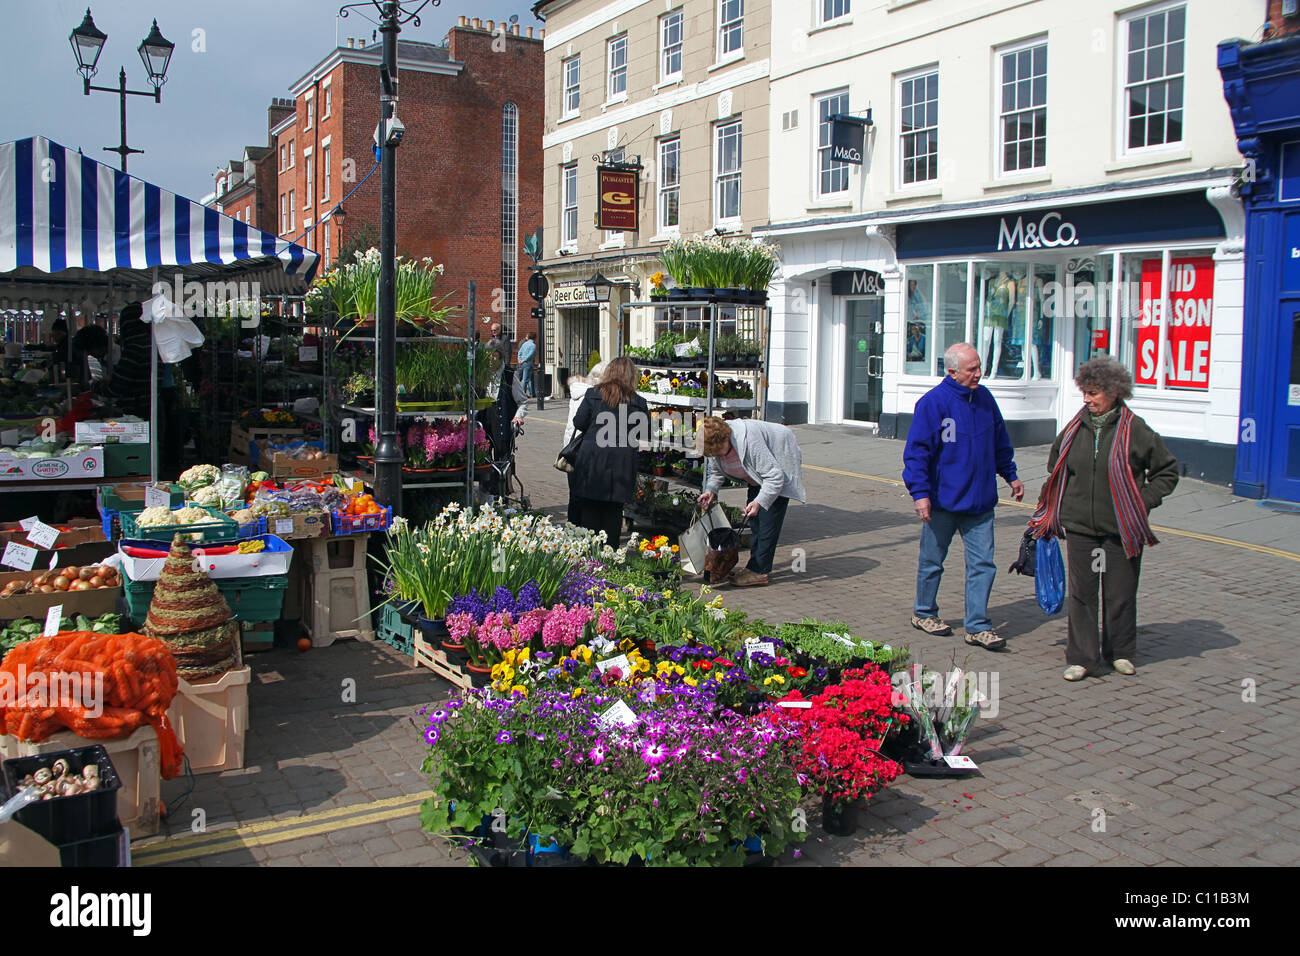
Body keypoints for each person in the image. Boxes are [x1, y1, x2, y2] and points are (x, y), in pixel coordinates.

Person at [1030, 355, 1178, 681]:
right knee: (1082, 594)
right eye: (1085, 392)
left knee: (1120, 594)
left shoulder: (1135, 430)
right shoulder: (1074, 428)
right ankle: (1082, 657)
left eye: (1093, 393)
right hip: (1082, 527)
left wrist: (1142, 502)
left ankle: (1120, 652)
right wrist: (1056, 506)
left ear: (1113, 392)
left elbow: (1167, 471)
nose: (1087, 399)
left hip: (1122, 529)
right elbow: (1056, 467)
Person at [902, 342, 1025, 649]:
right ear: (952, 371)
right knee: (932, 561)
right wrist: (920, 494)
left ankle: (978, 626)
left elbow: (1000, 441)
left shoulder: (984, 399)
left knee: (983, 564)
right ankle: (924, 612)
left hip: (980, 503)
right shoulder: (933, 404)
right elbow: (917, 454)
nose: (978, 374)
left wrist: (1010, 474)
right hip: (942, 502)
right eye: (972, 369)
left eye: (980, 367)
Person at [696, 415, 806, 588]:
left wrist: (760, 501)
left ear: (726, 439)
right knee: (754, 522)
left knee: (767, 524)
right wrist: (711, 490)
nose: (716, 456)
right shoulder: (711, 443)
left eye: (719, 452)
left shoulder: (749, 441)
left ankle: (759, 571)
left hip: (778, 466)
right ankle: (753, 567)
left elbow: (775, 476)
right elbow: (716, 472)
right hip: (757, 476)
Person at [567, 357, 649, 548]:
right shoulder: (639, 402)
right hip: (621, 463)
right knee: (613, 515)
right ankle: (609, 559)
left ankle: (588, 561)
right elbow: (644, 434)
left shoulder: (593, 394)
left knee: (589, 514)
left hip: (592, 460)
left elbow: (579, 422)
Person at [517, 332, 537, 397]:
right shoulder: (533, 345)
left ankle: (532, 393)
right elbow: (530, 355)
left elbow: (519, 352)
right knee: (525, 379)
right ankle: (523, 394)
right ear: (534, 338)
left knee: (530, 378)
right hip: (528, 363)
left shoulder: (524, 344)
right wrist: (524, 359)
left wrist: (519, 360)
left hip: (522, 363)